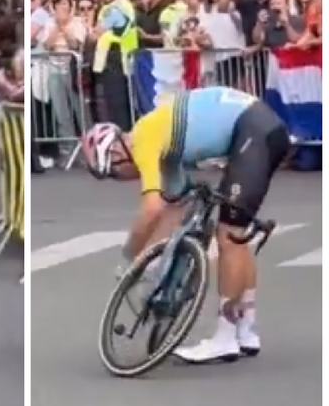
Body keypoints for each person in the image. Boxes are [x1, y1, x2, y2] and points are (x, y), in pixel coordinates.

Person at [81, 86, 290, 363]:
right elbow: (174, 208)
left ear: (117, 155)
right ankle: (246, 329)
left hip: (253, 129)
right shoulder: (162, 143)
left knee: (229, 237)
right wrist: (155, 262)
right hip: (261, 127)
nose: (122, 180)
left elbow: (152, 209)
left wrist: (130, 257)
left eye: (115, 175)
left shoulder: (143, 140)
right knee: (237, 238)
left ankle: (225, 338)